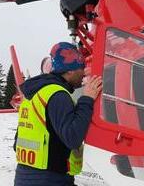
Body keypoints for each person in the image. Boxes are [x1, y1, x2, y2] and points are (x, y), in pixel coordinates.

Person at [14, 42, 102, 186]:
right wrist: (87, 99)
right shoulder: (57, 95)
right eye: (81, 68)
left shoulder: (35, 94)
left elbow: (17, 143)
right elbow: (72, 138)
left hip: (26, 176)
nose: (84, 72)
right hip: (48, 179)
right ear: (69, 71)